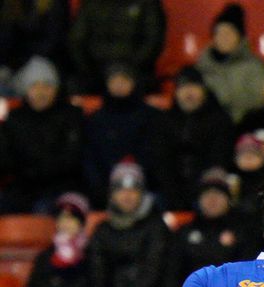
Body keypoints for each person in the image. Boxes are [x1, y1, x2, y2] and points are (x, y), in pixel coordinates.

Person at [89, 161, 175, 287]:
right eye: (121, 190)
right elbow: (97, 270)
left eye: (133, 190)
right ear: (112, 194)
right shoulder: (102, 230)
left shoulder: (156, 226)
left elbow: (152, 272)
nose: (127, 195)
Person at [0, 57, 84, 214]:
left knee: (44, 210)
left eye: (47, 86)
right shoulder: (15, 119)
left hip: (60, 186)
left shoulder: (71, 116)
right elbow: (7, 158)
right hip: (23, 186)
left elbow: (72, 158)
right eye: (35, 86)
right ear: (26, 90)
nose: (41, 92)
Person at [82, 62, 169, 206]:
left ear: (134, 83)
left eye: (124, 80)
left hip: (147, 188)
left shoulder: (153, 117)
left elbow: (158, 156)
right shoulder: (95, 120)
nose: (119, 85)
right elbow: (90, 159)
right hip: (104, 192)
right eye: (114, 81)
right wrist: (104, 189)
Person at [162, 67, 236, 211]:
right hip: (169, 193)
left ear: (204, 90)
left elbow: (219, 159)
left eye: (194, 87)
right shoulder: (164, 121)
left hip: (207, 190)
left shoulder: (220, 120)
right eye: (183, 87)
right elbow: (161, 162)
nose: (189, 93)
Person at [18, 193, 92, 287]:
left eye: (71, 219)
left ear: (81, 223)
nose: (65, 224)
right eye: (61, 218)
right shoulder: (45, 257)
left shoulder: (90, 255)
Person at [174, 169, 259, 286]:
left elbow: (248, 269)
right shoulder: (185, 231)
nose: (212, 200)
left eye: (218, 194)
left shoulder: (242, 231)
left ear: (228, 200)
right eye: (207, 194)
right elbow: (174, 271)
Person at [67, 0, 165, 93]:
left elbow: (153, 41)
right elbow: (77, 41)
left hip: (136, 71)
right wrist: (88, 69)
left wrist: (128, 69)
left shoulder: (148, 3)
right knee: (73, 87)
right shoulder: (90, 3)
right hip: (96, 71)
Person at [195, 3, 264, 126]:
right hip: (207, 125)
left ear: (239, 37)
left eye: (229, 33)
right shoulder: (202, 64)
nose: (224, 37)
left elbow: (260, 100)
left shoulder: (254, 66)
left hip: (242, 124)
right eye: (219, 33)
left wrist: (225, 100)